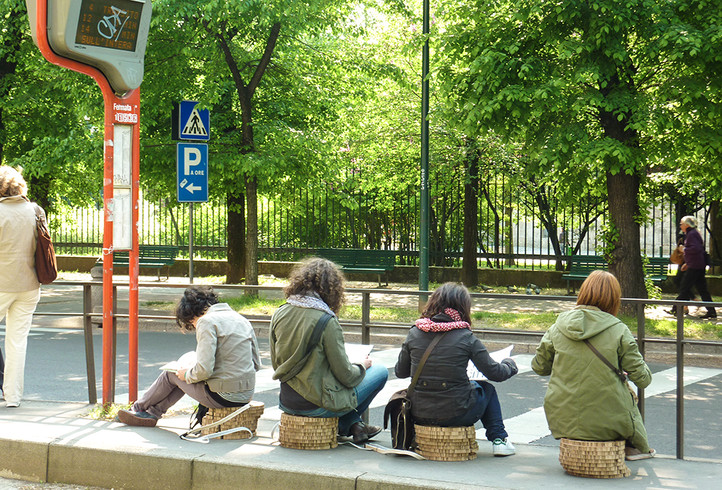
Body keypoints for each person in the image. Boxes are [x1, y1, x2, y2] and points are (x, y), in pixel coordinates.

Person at [531, 270, 655, 461]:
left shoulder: (557, 327)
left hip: (562, 418)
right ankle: (633, 446)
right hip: (608, 421)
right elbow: (643, 379)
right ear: (614, 300)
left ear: (583, 293)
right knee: (626, 396)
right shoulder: (619, 330)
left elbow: (539, 367)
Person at [269, 257, 388, 444]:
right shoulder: (326, 320)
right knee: (380, 371)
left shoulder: (280, 312)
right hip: (318, 405)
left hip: (287, 400)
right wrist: (361, 365)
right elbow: (347, 376)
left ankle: (354, 424)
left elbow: (277, 362)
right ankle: (347, 423)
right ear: (332, 289)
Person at [394, 282, 518, 456]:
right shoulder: (465, 336)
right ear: (463, 308)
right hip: (456, 413)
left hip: (419, 412)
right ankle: (499, 440)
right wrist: (510, 364)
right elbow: (495, 373)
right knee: (487, 389)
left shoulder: (415, 332)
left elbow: (401, 372)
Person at [118, 286, 261, 426]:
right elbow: (256, 364)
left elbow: (204, 370)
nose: (193, 325)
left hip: (223, 396)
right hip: (246, 394)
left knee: (171, 375)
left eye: (191, 322)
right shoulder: (242, 320)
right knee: (183, 376)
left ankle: (138, 408)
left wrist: (186, 374)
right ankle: (152, 413)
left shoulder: (206, 322)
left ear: (194, 313)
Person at [0, 166, 44, 408]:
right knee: (17, 342)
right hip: (28, 286)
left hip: (1, 285)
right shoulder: (35, 210)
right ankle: (13, 398)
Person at [671, 216, 716, 319]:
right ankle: (712, 311)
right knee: (702, 289)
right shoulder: (694, 233)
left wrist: (684, 250)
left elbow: (696, 249)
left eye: (681, 224)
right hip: (697, 265)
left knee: (684, 287)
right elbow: (697, 251)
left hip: (695, 266)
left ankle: (675, 309)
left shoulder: (692, 234)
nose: (680, 226)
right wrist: (687, 263)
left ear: (687, 225)